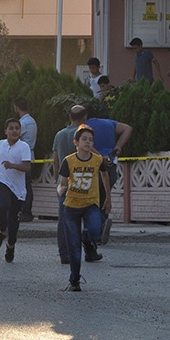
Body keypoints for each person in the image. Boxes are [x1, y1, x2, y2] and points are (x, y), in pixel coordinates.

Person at [57, 125, 111, 291]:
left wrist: (108, 197)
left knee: (95, 231)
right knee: (74, 247)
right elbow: (62, 183)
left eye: (91, 140)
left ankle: (88, 242)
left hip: (90, 204)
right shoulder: (69, 160)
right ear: (76, 142)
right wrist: (61, 191)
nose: (88, 142)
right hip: (71, 206)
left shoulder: (97, 160)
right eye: (84, 139)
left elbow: (104, 175)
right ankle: (74, 281)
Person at [0, 118, 32, 263]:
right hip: (1, 181)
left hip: (18, 189)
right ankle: (1, 230)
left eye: (17, 128)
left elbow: (27, 167)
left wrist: (13, 166)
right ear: (5, 131)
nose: (14, 131)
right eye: (11, 128)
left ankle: (10, 245)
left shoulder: (24, 146)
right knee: (2, 204)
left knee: (13, 220)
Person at [83, 111, 133, 245]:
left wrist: (100, 157)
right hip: (111, 164)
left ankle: (96, 230)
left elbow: (87, 145)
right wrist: (118, 146)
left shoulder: (85, 126)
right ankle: (102, 224)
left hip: (94, 165)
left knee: (93, 199)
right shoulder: (110, 123)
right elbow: (128, 128)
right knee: (105, 196)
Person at [52, 104, 89, 264]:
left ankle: (64, 254)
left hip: (64, 183)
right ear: (84, 118)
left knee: (64, 219)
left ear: (69, 117)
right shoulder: (83, 136)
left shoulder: (59, 135)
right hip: (82, 182)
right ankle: (86, 250)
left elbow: (55, 160)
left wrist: (56, 180)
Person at [13, 97, 38, 222]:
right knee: (26, 186)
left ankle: (25, 211)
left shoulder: (23, 123)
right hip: (30, 155)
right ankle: (25, 211)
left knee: (24, 187)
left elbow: (14, 139)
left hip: (23, 158)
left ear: (16, 107)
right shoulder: (31, 121)